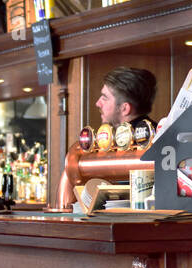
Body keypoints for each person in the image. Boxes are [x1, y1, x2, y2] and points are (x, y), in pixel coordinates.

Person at [56, 66, 158, 209]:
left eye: (105, 98)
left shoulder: (150, 141)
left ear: (124, 108)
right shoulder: (110, 141)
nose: (98, 103)